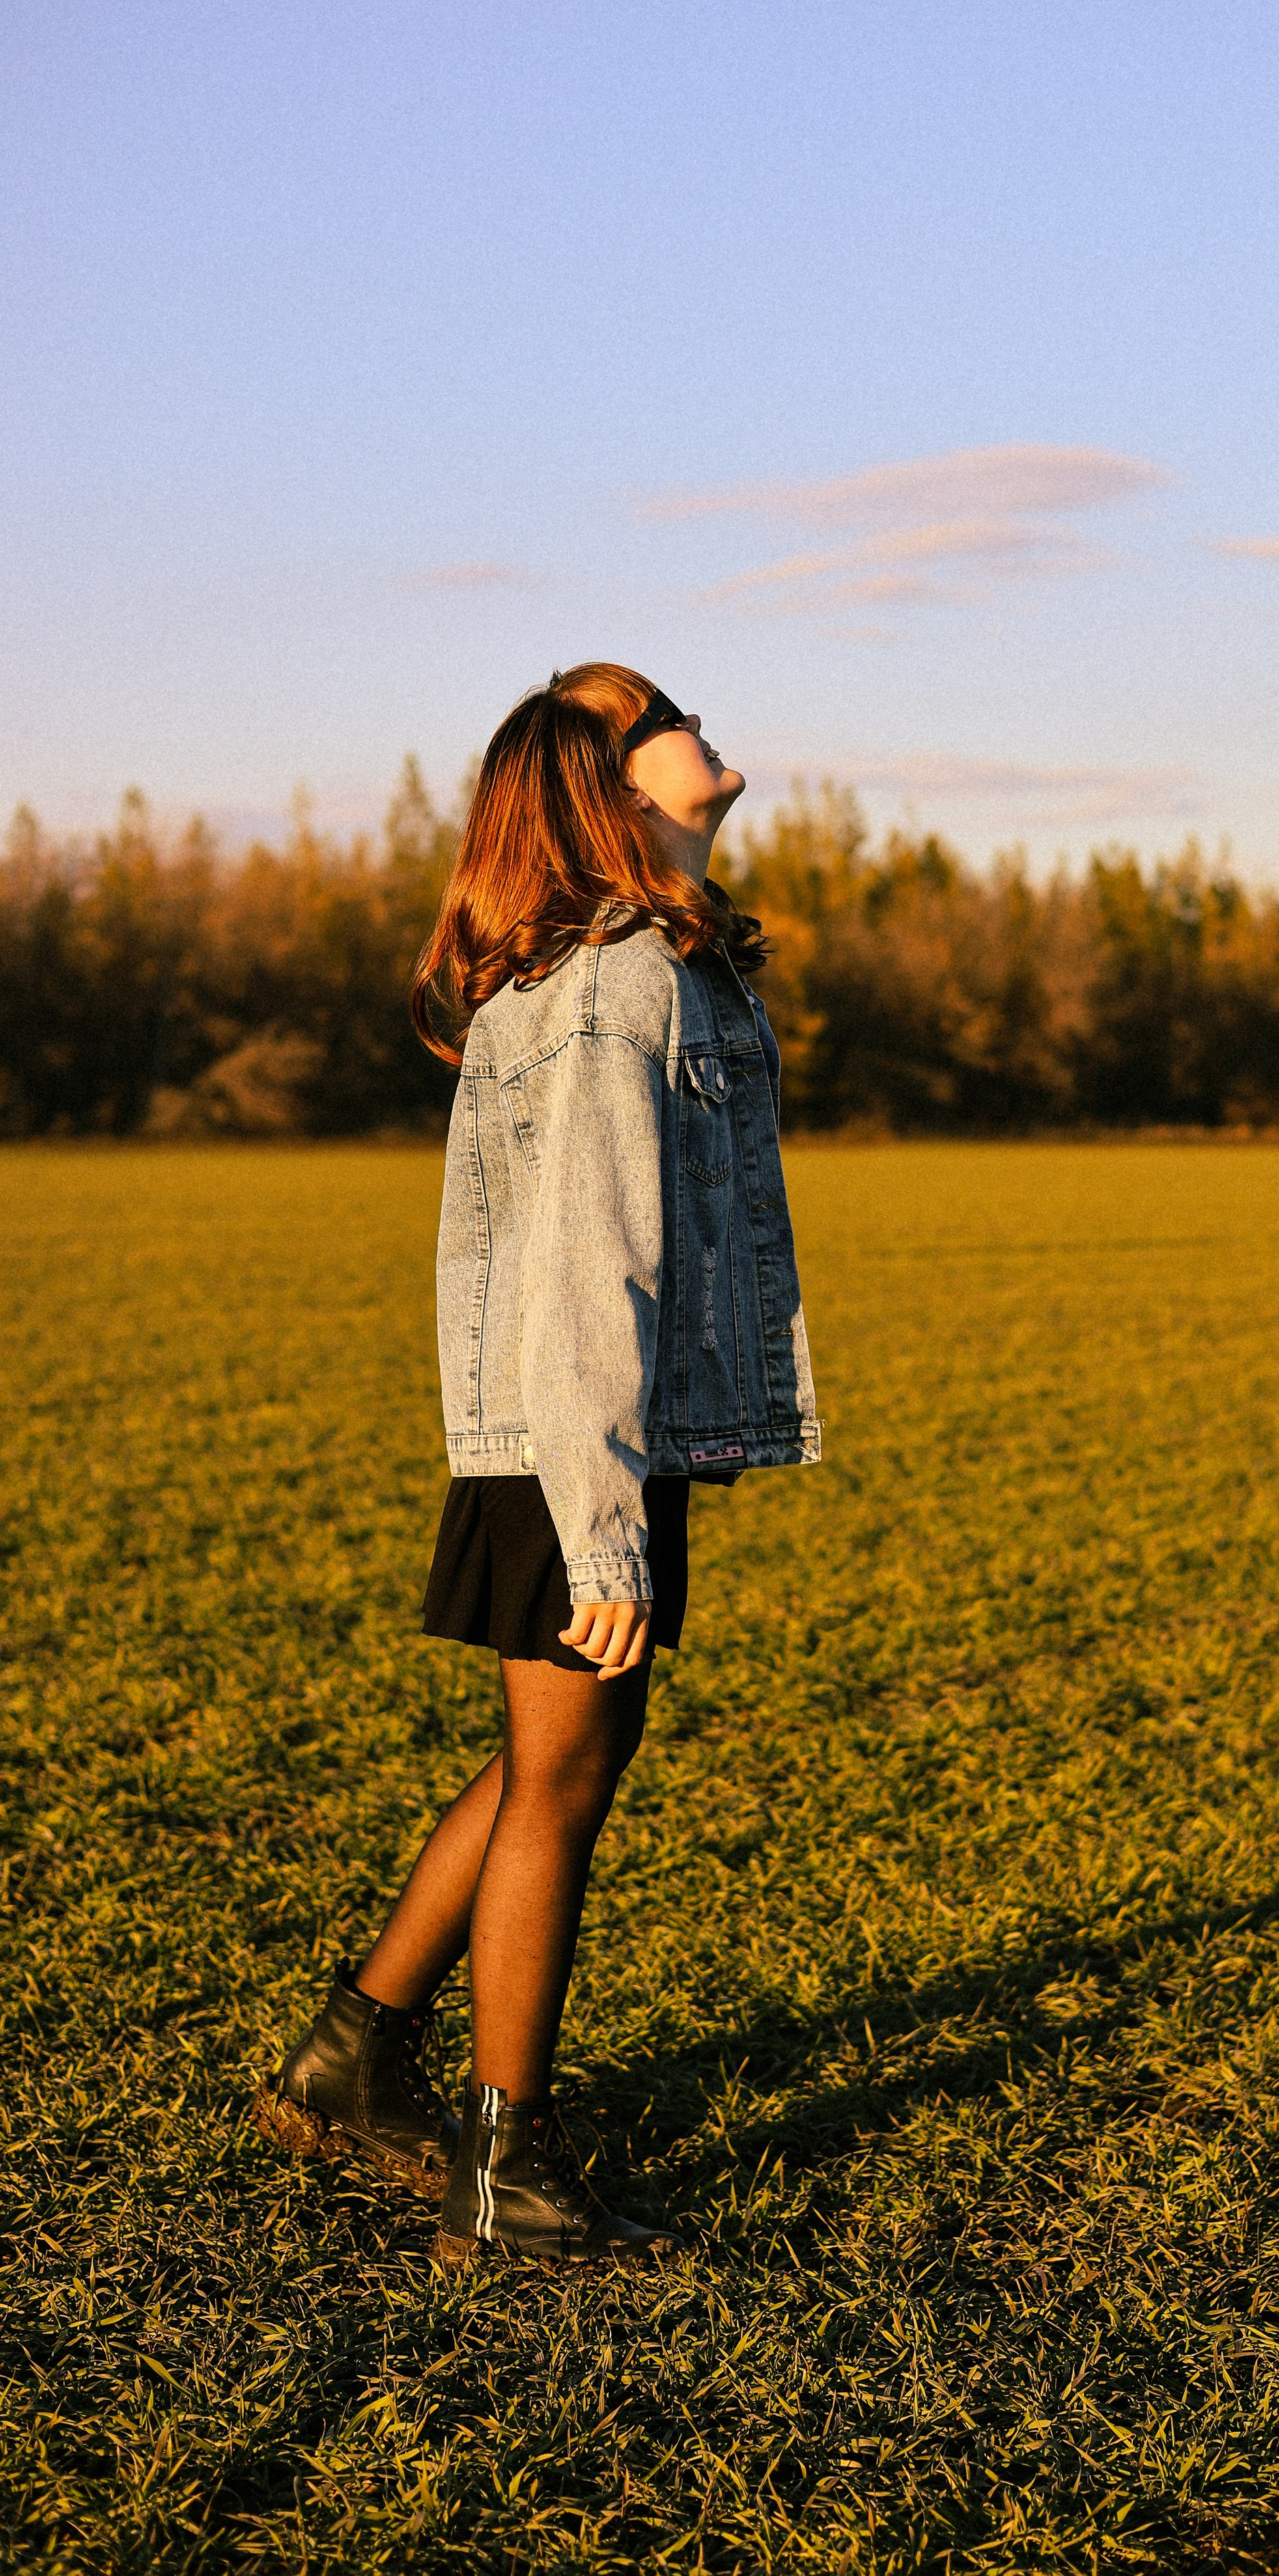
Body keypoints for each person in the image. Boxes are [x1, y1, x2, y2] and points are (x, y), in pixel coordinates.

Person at [252, 664, 820, 2268]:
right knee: (561, 1784)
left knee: (540, 1763)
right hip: (575, 1442)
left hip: (571, 1433)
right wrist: (606, 1531)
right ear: (607, 781)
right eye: (662, 710)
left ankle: (349, 2059)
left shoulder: (621, 960)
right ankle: (502, 2181)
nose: (703, 717)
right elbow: (586, 1264)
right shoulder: (614, 979)